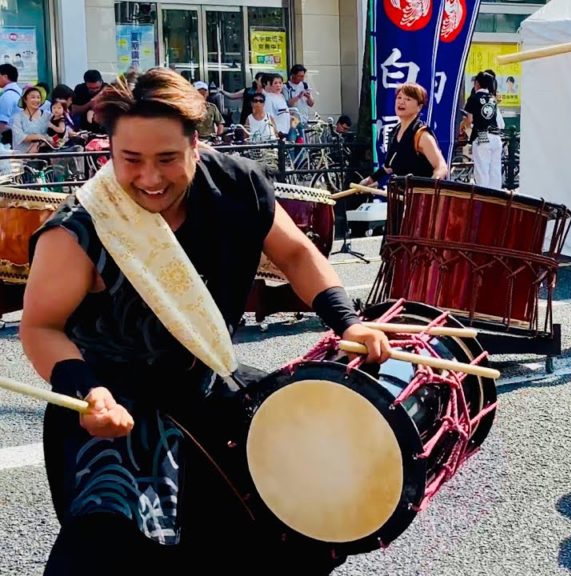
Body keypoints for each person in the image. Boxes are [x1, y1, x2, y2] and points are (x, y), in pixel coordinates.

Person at [19, 67, 391, 574]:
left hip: (207, 383)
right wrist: (87, 390)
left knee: (290, 517)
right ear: (110, 152)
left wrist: (347, 323)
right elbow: (41, 327)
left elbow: (296, 254)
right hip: (109, 405)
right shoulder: (80, 228)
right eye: (131, 160)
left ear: (196, 143)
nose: (150, 178)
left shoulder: (236, 186)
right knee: (109, 549)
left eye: (167, 159)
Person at [360, 82, 447, 187]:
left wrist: (430, 188)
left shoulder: (421, 135)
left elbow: (441, 167)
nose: (401, 102)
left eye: (408, 99)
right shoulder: (395, 131)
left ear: (419, 107)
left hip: (419, 194)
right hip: (401, 193)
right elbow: (389, 166)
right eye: (399, 97)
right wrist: (371, 179)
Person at [460, 71, 502, 189]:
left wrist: (463, 127)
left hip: (482, 134)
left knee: (482, 170)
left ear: (477, 83)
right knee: (495, 170)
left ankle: (483, 197)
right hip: (496, 136)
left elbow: (469, 120)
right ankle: (496, 195)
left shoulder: (474, 98)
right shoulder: (492, 98)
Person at [11, 85, 51, 153]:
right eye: (33, 97)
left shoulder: (48, 116)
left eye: (38, 97)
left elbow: (54, 136)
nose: (36, 100)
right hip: (23, 156)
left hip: (44, 155)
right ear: (25, 99)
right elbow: (20, 137)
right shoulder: (17, 117)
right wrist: (39, 137)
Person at [0, 63, 24, 147]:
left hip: (9, 138)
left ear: (5, 77)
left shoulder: (7, 95)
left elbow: (2, 122)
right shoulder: (20, 92)